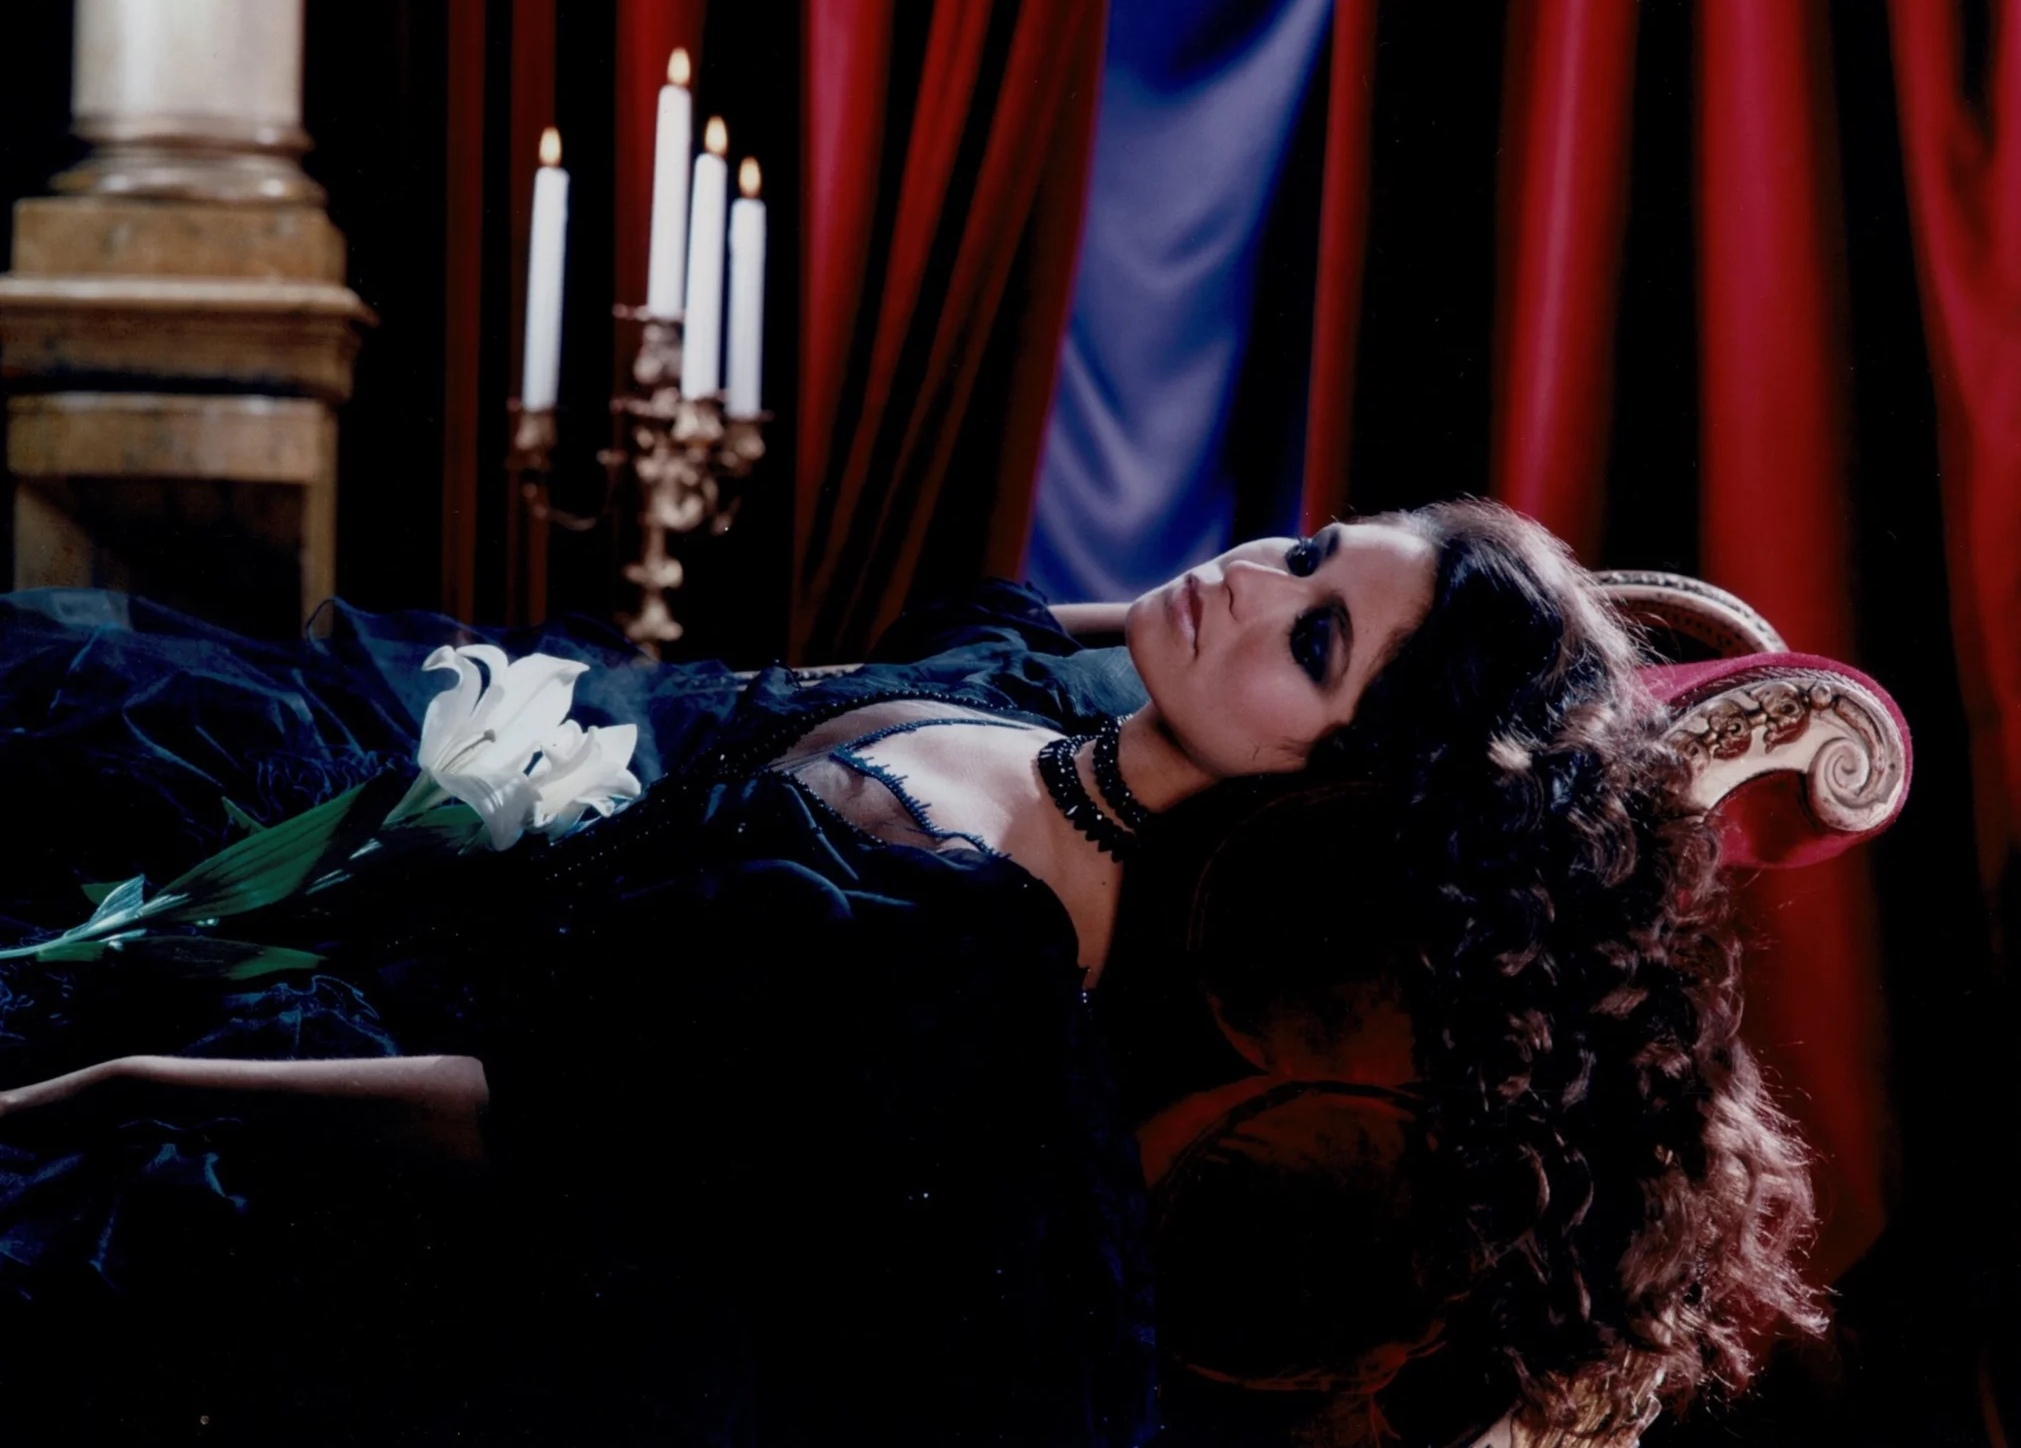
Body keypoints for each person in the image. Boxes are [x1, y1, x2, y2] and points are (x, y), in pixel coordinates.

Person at [0, 501, 1822, 1447]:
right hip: (410, 856)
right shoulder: (1036, 683)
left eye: (1318, 639)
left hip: (379, 1100)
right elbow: (1076, 638)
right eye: (1307, 547)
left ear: (1336, 784)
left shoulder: (968, 953)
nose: (1251, 585)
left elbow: (545, 1130)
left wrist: (128, 1085)